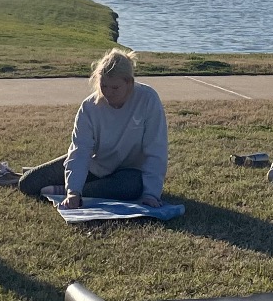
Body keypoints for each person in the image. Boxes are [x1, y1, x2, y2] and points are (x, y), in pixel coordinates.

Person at [19, 49, 169, 208]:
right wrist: (73, 191)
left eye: (115, 88)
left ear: (129, 83)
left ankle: (65, 190)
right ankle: (72, 188)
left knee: (131, 188)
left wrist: (151, 194)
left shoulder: (148, 99)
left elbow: (156, 149)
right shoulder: (89, 107)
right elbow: (80, 150)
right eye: (104, 86)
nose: (109, 93)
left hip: (129, 172)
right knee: (28, 183)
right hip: (96, 165)